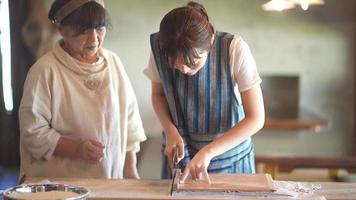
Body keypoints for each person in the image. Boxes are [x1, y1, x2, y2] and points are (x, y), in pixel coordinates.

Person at [19, 0, 146, 181]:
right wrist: (76, 149)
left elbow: (129, 120)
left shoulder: (113, 63)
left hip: (108, 181)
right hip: (59, 186)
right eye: (83, 31)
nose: (94, 39)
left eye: (100, 29)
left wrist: (130, 169)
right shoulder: (44, 71)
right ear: (62, 29)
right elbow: (32, 132)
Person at [144, 1, 264, 183]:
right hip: (180, 162)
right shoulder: (160, 46)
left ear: (211, 43)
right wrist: (170, 131)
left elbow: (256, 119)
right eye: (175, 64)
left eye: (193, 62)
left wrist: (208, 151)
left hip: (231, 163)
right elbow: (158, 95)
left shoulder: (234, 49)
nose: (184, 69)